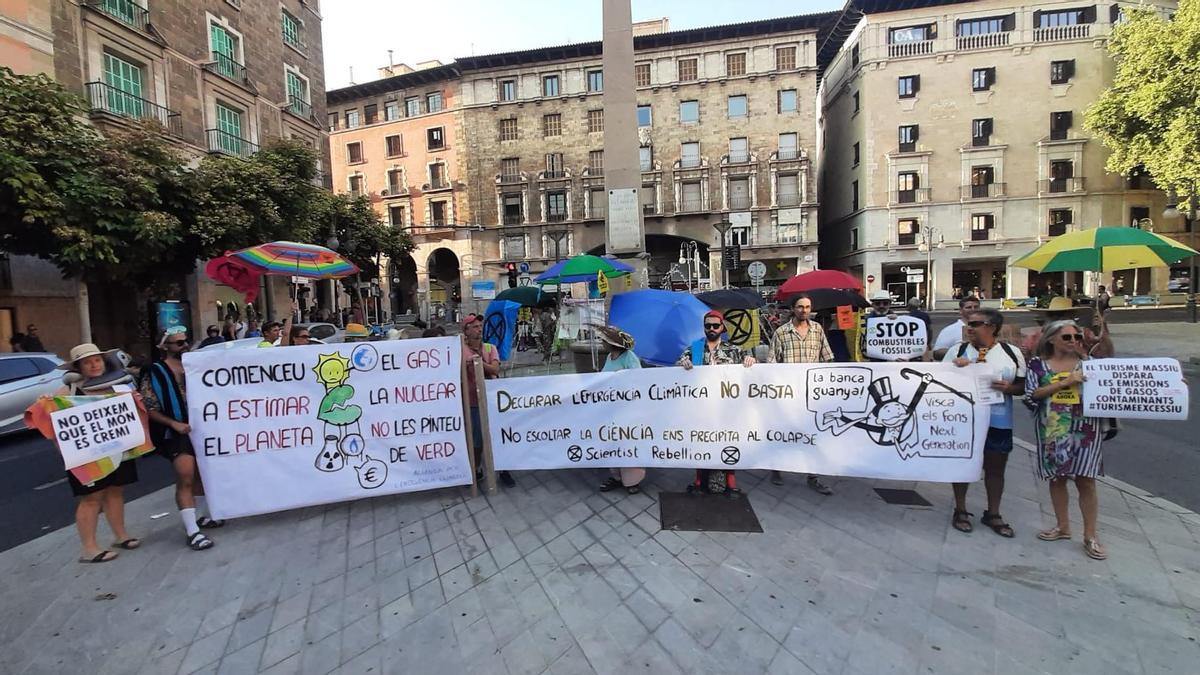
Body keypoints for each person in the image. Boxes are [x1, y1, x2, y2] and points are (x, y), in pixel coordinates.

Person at [1025, 320, 1113, 560]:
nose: (1073, 341)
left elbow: (1118, 386)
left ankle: (1090, 535)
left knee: (1087, 480)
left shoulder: (1091, 366)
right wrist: (1064, 383)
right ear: (1052, 339)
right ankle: (1063, 526)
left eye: (1077, 337)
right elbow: (1032, 394)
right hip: (1053, 428)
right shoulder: (1038, 366)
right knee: (1057, 477)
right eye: (1067, 337)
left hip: (1085, 428)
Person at [54, 344, 141, 562]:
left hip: (117, 449)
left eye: (97, 360)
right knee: (91, 498)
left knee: (115, 490)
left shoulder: (117, 385)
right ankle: (89, 548)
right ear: (78, 367)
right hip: (86, 454)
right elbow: (53, 425)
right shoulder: (68, 392)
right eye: (87, 362)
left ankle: (121, 535)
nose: (94, 365)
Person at [943, 308, 1025, 538]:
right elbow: (940, 382)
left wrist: (1009, 389)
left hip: (998, 420)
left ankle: (994, 513)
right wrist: (954, 370)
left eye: (977, 324)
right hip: (964, 420)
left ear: (992, 327)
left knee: (996, 468)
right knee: (963, 465)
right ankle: (960, 509)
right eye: (969, 323)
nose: (970, 327)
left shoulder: (1011, 352)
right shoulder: (956, 350)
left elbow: (1022, 386)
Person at [141, 327, 221, 551]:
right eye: (178, 343)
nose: (184, 345)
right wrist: (172, 423)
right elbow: (149, 406)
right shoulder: (155, 371)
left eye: (186, 341)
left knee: (202, 474)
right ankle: (192, 531)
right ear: (165, 346)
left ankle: (204, 516)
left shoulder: (194, 365)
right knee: (185, 475)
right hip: (175, 430)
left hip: (203, 428)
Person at [677, 310, 755, 496]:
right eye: (707, 325)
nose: (711, 329)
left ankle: (731, 482)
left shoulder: (733, 350)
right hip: (701, 408)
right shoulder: (693, 348)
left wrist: (751, 361)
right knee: (700, 441)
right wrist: (682, 363)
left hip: (725, 409)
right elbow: (677, 367)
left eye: (715, 325)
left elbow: (747, 372)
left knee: (728, 442)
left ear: (722, 327)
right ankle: (698, 481)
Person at [767, 294, 835, 493]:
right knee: (783, 430)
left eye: (807, 307)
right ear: (792, 309)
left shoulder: (817, 330)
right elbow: (771, 362)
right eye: (800, 307)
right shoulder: (781, 333)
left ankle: (813, 475)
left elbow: (827, 358)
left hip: (811, 392)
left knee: (812, 434)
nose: (804, 310)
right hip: (788, 392)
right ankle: (777, 468)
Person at [462, 315, 514, 487]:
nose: (479, 329)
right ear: (466, 330)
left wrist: (478, 363)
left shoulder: (490, 347)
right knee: (477, 439)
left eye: (479, 326)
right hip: (473, 401)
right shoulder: (461, 350)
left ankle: (504, 468)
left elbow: (495, 368)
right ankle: (476, 469)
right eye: (475, 326)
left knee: (499, 436)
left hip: (493, 401)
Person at [595, 325, 645, 495]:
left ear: (611, 343)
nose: (601, 342)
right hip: (610, 410)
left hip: (627, 410)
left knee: (627, 443)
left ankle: (632, 480)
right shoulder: (610, 357)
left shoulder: (629, 357)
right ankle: (617, 477)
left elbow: (638, 380)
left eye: (603, 340)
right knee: (612, 442)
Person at [1023, 297, 1113, 359]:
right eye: (1055, 315)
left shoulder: (1084, 334)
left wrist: (1101, 326)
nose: (1060, 319)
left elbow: (1105, 355)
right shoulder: (1034, 338)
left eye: (1064, 315)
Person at [932, 296, 980, 360]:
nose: (973, 310)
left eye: (976, 307)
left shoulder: (987, 328)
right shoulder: (950, 330)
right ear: (960, 311)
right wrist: (958, 352)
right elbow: (937, 353)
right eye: (969, 307)